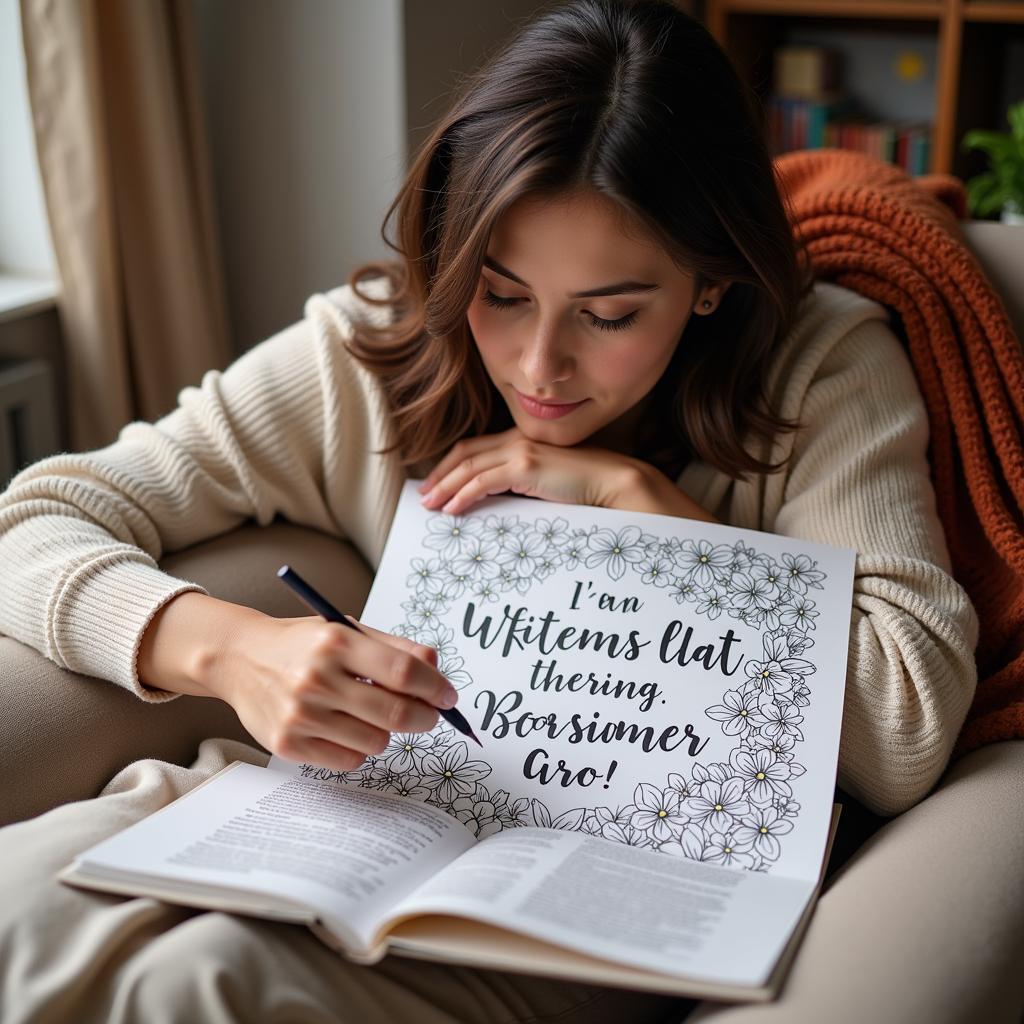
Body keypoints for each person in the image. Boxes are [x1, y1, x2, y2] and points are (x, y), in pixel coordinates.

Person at [0, 0, 979, 1021]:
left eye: (608, 314)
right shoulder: (371, 354)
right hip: (347, 817)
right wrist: (230, 651)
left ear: (708, 285)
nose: (537, 364)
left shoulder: (818, 369)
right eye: (499, 290)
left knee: (198, 988)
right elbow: (35, 518)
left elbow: (904, 725)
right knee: (28, 905)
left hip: (606, 891)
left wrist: (634, 502)